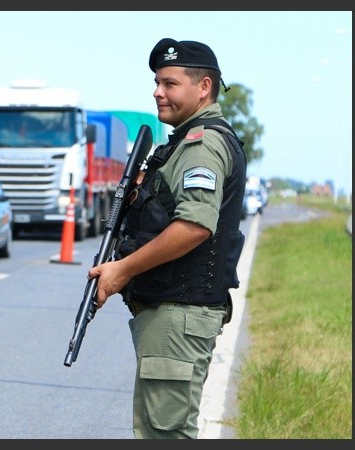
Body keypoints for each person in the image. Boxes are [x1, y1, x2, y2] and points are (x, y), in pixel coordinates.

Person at [87, 38, 246, 439]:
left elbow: (194, 226)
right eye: (157, 82)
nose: (158, 92)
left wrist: (122, 269)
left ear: (204, 87)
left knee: (165, 435)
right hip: (174, 312)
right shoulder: (184, 144)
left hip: (180, 312)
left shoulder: (202, 144)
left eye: (170, 83)